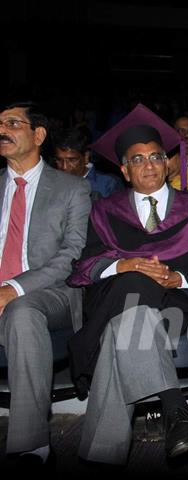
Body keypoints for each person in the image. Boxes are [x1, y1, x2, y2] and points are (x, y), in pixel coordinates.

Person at [67, 105, 188, 466]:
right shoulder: (105, 211)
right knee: (134, 297)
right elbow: (85, 264)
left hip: (179, 302)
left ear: (167, 164)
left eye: (155, 157)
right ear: (124, 170)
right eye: (138, 160)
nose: (149, 165)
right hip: (123, 300)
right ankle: (176, 410)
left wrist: (177, 277)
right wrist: (122, 263)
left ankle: (86, 350)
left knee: (128, 311)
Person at [0, 101, 91, 469]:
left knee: (21, 312)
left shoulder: (70, 189)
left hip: (52, 293)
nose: (2, 130)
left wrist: (13, 289)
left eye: (12, 123)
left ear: (38, 135)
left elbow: (72, 254)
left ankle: (29, 446)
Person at [53, 127, 122, 199]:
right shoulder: (52, 184)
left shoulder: (107, 184)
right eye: (59, 160)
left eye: (72, 160)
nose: (64, 167)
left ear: (86, 157)